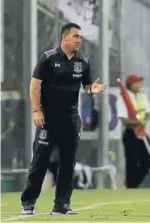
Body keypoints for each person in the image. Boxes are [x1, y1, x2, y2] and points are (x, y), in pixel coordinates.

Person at [20, 23, 106, 215]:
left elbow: (86, 87)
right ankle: (28, 203)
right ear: (64, 37)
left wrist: (93, 90)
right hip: (48, 119)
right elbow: (34, 86)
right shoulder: (48, 58)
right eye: (76, 36)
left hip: (71, 119)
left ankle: (61, 205)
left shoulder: (83, 61)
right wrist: (36, 111)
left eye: (81, 37)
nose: (79, 40)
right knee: (40, 161)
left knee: (68, 163)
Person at [117, 74, 150, 188]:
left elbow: (148, 111)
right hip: (130, 133)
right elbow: (124, 119)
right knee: (132, 161)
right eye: (137, 83)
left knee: (148, 160)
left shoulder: (142, 96)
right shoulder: (123, 98)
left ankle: (133, 184)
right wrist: (138, 123)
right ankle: (130, 185)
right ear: (131, 85)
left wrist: (143, 122)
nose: (140, 85)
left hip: (142, 132)